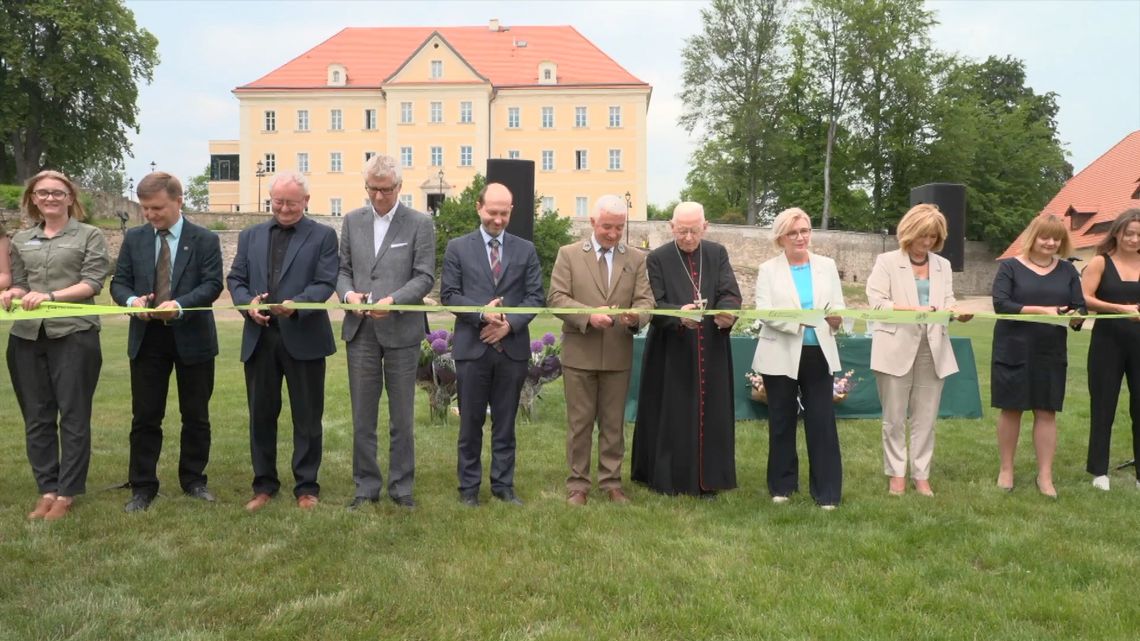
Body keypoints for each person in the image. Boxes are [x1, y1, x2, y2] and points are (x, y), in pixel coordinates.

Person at [110, 172, 224, 512]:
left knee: (196, 415)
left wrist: (179, 305)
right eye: (145, 208)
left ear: (178, 201)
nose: (150, 214)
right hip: (148, 340)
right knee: (145, 416)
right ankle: (143, 486)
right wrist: (133, 303)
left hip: (193, 337)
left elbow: (212, 284)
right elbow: (120, 283)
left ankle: (193, 480)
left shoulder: (204, 239)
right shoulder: (135, 239)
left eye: (157, 207)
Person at [1, 171, 110, 521]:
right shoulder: (21, 239)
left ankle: (67, 493)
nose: (50, 198)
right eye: (42, 192)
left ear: (69, 197)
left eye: (57, 193)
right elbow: (19, 283)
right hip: (27, 337)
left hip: (75, 336)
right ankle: (46, 488)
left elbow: (92, 283)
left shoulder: (90, 235)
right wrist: (13, 294)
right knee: (37, 417)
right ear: (33, 198)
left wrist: (50, 296)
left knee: (74, 416)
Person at [226, 170, 338, 512]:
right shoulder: (251, 235)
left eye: (291, 202)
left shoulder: (324, 236)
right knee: (261, 415)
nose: (284, 208)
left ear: (306, 201)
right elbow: (236, 279)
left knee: (307, 417)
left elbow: (325, 282)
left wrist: (297, 305)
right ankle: (263, 485)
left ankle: (306, 487)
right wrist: (249, 306)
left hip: (303, 336)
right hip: (260, 338)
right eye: (278, 201)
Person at [337, 154, 435, 510]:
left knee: (402, 416)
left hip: (401, 331)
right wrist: (348, 295)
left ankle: (401, 486)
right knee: (363, 415)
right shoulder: (352, 221)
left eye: (387, 190)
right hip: (360, 330)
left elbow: (424, 276)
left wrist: (392, 301)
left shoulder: (420, 224)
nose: (379, 197)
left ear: (400, 187)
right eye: (373, 189)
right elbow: (342, 269)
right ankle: (365, 486)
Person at [440, 182, 545, 507]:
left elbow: (535, 297)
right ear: (478, 207)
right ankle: (468, 490)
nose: (497, 220)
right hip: (473, 349)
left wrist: (508, 325)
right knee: (470, 424)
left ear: (511, 211)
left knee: (505, 423)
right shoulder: (458, 247)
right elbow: (450, 294)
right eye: (492, 212)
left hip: (511, 350)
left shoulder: (525, 249)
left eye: (504, 213)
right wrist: (482, 315)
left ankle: (503, 486)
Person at [548, 195, 654, 506]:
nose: (612, 233)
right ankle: (577, 485)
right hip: (580, 354)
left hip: (618, 354)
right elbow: (556, 298)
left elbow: (646, 301)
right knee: (579, 423)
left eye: (619, 228)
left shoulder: (636, 259)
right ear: (593, 222)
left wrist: (638, 317)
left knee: (613, 423)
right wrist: (589, 316)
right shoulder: (568, 255)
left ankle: (611, 482)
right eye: (607, 226)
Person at [631, 202, 741, 498]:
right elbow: (653, 303)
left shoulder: (717, 253)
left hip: (711, 347)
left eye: (694, 230)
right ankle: (670, 477)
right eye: (682, 231)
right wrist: (678, 315)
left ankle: (711, 478)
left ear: (705, 227)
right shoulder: (657, 258)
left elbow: (730, 292)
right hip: (671, 350)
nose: (689, 237)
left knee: (711, 411)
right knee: (673, 412)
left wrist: (728, 313)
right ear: (671, 227)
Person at [866, 203, 973, 497]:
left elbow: (948, 300)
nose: (926, 243)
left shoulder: (943, 265)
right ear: (908, 232)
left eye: (932, 237)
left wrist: (956, 312)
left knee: (926, 416)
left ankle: (921, 474)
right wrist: (916, 309)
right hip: (894, 346)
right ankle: (896, 473)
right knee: (894, 417)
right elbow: (877, 303)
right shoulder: (887, 261)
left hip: (933, 347)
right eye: (922, 235)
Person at [751, 208, 845, 509]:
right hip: (779, 352)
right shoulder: (768, 269)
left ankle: (827, 492)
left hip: (819, 352)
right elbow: (764, 311)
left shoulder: (827, 266)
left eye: (805, 230)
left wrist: (835, 320)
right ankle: (782, 486)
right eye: (793, 232)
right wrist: (800, 322)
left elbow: (839, 306)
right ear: (781, 238)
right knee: (781, 419)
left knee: (822, 421)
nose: (801, 237)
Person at [991, 214, 1084, 498]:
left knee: (1046, 410)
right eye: (1045, 237)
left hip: (1050, 349)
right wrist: (1040, 310)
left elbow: (1079, 307)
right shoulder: (1010, 266)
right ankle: (1006, 469)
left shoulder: (1068, 271)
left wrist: (1077, 317)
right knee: (1012, 408)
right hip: (1013, 346)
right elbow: (1001, 304)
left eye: (1056, 238)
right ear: (1033, 237)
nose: (1051, 242)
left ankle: (1045, 475)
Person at [1080, 208, 1140, 492]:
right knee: (1103, 405)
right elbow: (1084, 298)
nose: (1134, 239)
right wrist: (1118, 308)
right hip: (1107, 343)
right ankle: (1099, 470)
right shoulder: (1100, 263)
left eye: (1139, 235)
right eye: (1129, 233)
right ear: (1117, 232)